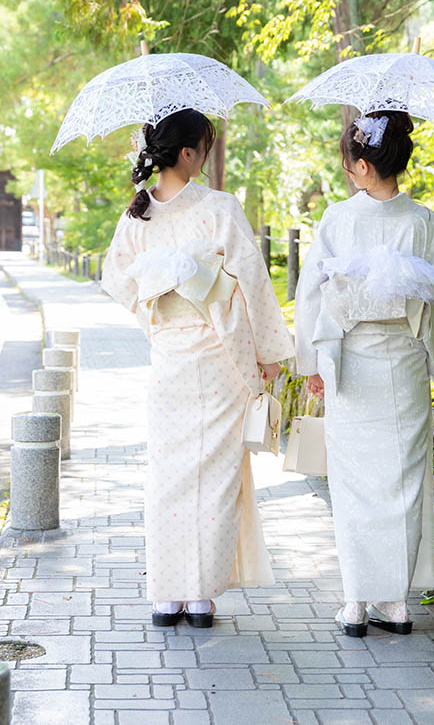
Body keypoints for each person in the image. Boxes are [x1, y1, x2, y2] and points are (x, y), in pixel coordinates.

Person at [102, 108, 294, 628]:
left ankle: (167, 596)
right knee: (216, 476)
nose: (206, 157)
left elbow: (116, 280)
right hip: (219, 357)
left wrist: (155, 315)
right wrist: (270, 352)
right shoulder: (218, 208)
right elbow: (251, 280)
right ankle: (202, 597)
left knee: (167, 475)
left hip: (170, 360)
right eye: (204, 148)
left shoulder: (136, 217)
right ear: (186, 152)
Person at [294, 110, 434, 637]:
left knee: (354, 485)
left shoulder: (338, 221)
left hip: (350, 363)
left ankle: (355, 604)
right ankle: (395, 604)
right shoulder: (424, 222)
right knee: (404, 482)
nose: (348, 171)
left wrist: (311, 364)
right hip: (406, 361)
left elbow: (310, 296)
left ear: (364, 166)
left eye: (350, 162)